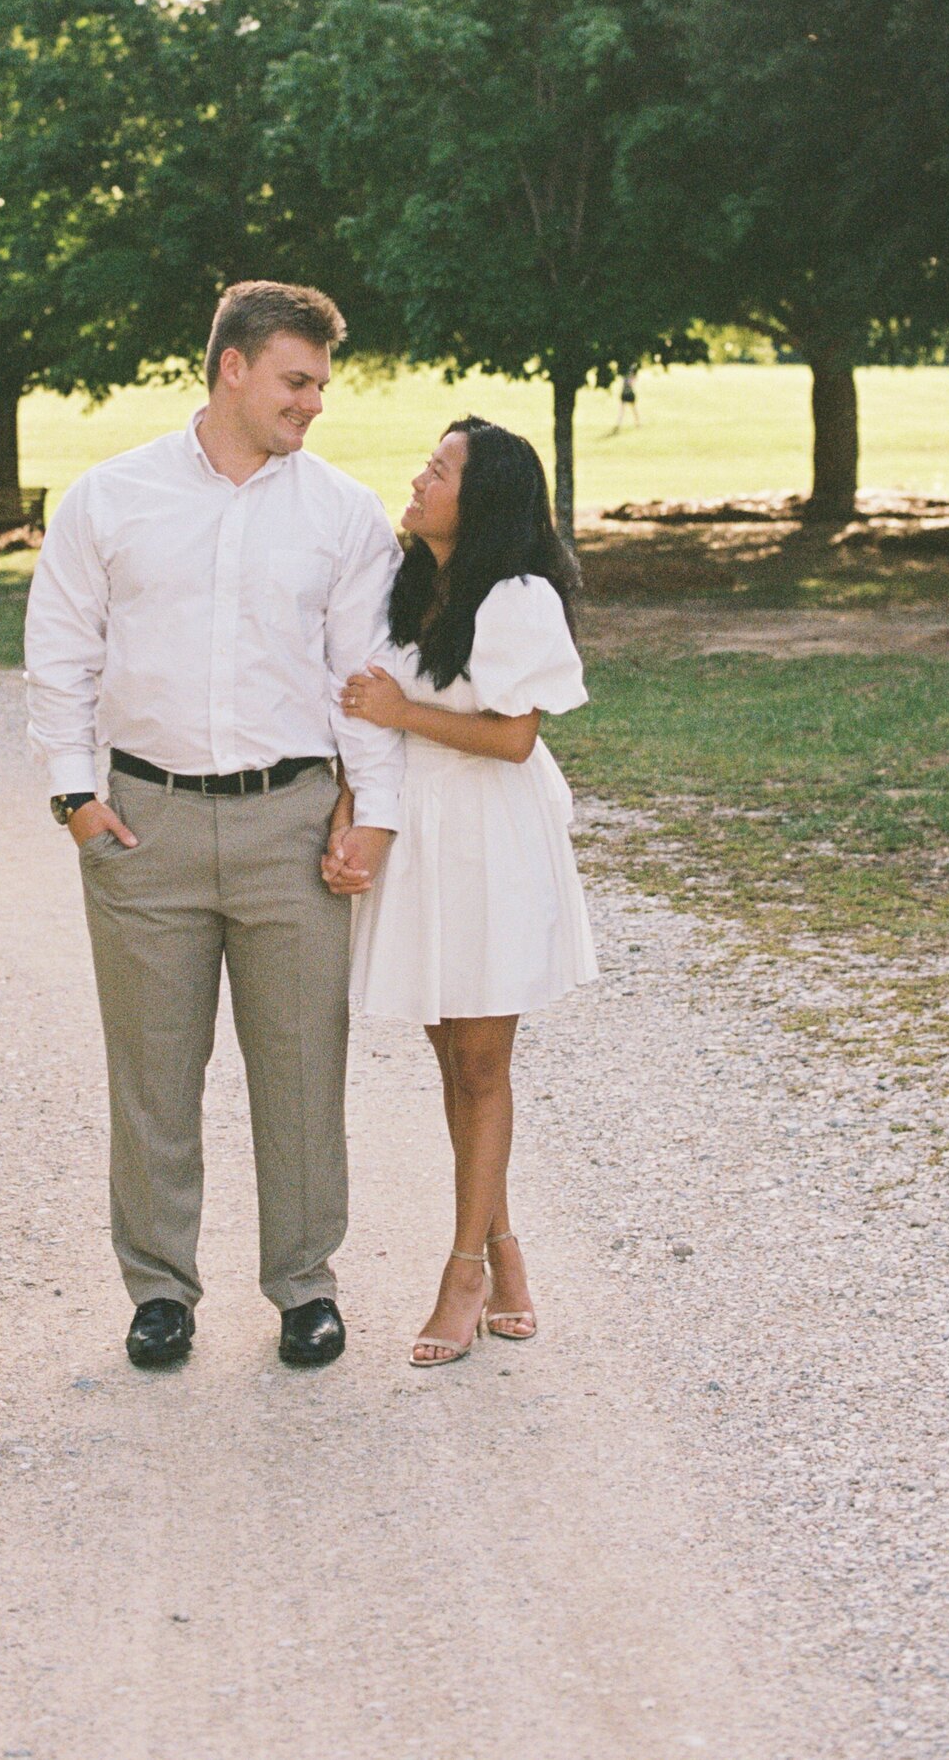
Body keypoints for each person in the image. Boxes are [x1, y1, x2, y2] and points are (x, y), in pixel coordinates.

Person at [25, 281, 404, 1372]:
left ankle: (303, 1286)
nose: (312, 404)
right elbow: (60, 650)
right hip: (146, 823)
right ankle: (159, 1291)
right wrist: (73, 797)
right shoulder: (112, 497)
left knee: (300, 1067)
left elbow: (361, 677)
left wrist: (370, 814)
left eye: (320, 386)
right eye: (296, 381)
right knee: (151, 1073)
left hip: (293, 823)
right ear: (232, 367)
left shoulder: (340, 510)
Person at [332, 417, 595, 1366]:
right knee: (457, 1065)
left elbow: (516, 738)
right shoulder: (413, 586)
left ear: (478, 500)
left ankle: (464, 1273)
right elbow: (372, 731)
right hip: (425, 841)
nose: (418, 476)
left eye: (438, 470)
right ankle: (505, 1249)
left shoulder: (516, 596)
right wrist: (350, 811)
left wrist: (403, 712)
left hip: (490, 842)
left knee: (483, 1065)